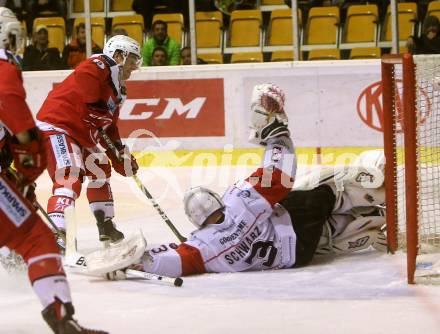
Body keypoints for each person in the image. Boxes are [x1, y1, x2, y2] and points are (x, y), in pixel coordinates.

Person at [94, 83, 386, 279]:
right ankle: (363, 196)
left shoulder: (202, 247)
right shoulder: (238, 203)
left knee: (319, 230)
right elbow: (280, 177)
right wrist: (276, 134)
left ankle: (359, 229)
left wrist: (134, 262)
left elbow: (174, 261)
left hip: (297, 255)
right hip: (295, 222)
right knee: (317, 187)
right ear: (217, 200)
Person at [0, 7, 107, 334]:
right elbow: (14, 116)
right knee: (36, 238)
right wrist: (28, 168)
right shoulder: (3, 68)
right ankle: (61, 319)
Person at [36, 34, 141, 250]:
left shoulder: (119, 91)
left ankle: (106, 224)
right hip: (59, 126)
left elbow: (109, 126)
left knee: (100, 167)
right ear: (118, 55)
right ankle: (57, 232)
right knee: (70, 173)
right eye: (132, 60)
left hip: (81, 133)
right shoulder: (100, 64)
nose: (134, 67)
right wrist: (94, 108)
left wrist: (119, 153)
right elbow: (86, 83)